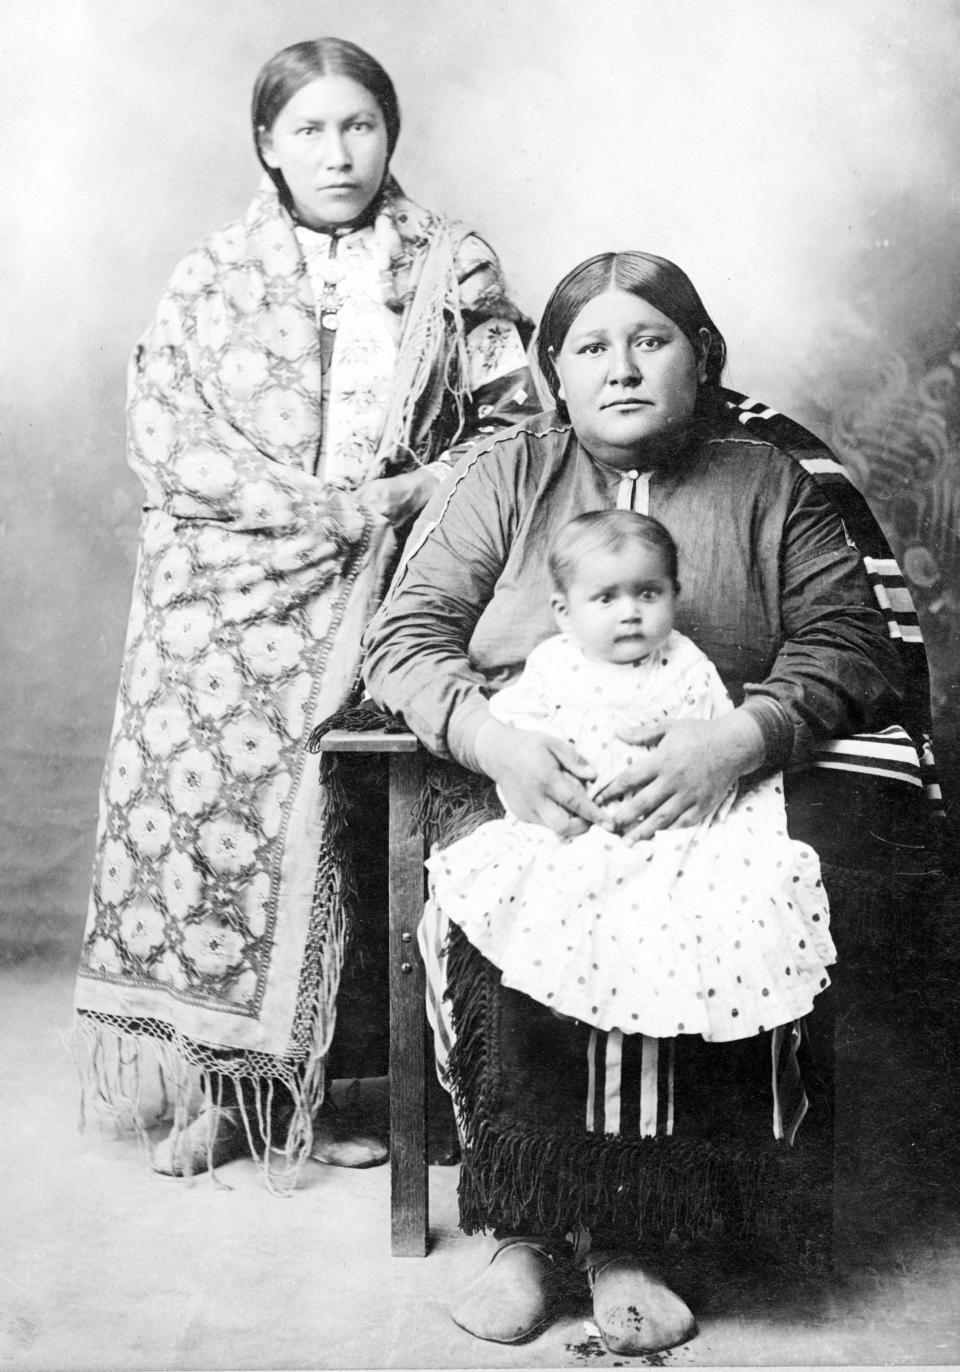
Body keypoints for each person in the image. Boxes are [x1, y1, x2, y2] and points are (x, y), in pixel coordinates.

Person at [362, 251, 938, 1353]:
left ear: (702, 359)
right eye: (591, 347)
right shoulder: (507, 479)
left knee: (727, 903)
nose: (622, 368)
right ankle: (528, 1228)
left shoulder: (767, 479)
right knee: (526, 891)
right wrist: (497, 746)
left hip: (715, 775)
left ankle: (642, 1238)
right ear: (556, 376)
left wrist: (734, 740)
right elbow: (408, 636)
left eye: (651, 340)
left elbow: (848, 642)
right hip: (527, 766)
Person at [73, 37, 537, 1186]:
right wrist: (316, 510)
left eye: (361, 126)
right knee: (212, 833)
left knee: (352, 837)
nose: (339, 153)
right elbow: (166, 435)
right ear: (267, 147)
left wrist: (398, 499)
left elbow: (517, 428)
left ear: (392, 134)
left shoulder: (453, 266)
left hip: (381, 589)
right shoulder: (211, 274)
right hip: (218, 602)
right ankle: (235, 1096)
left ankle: (337, 1089)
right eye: (311, 131)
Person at [426, 509, 836, 1042]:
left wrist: (695, 800)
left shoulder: (688, 663)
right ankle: (570, 994)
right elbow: (517, 735)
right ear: (565, 611)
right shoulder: (552, 664)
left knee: (711, 902)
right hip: (576, 818)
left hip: (673, 821)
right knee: (563, 891)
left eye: (649, 594)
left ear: (674, 595)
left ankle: (685, 1011)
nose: (630, 614)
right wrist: (537, 781)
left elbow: (713, 748)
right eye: (606, 598)